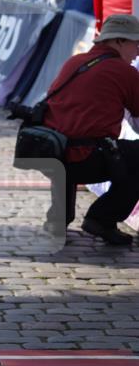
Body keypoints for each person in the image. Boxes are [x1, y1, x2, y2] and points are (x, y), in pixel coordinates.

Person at [42, 13, 139, 245]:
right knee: (130, 155)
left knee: (69, 147)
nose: (137, 52)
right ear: (118, 42)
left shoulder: (75, 62)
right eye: (136, 44)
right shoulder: (123, 71)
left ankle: (58, 222)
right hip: (84, 156)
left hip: (47, 151)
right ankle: (102, 219)